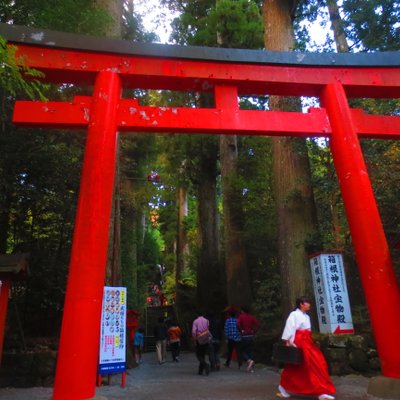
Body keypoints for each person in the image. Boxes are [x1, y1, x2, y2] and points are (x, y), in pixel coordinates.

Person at [277, 297, 336, 400]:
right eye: (307, 303)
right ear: (301, 304)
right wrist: (288, 341)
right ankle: (283, 387)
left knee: (317, 364)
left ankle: (320, 391)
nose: (309, 304)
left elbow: (307, 331)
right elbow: (290, 328)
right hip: (298, 342)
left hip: (307, 342)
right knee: (296, 366)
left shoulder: (307, 317)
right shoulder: (294, 315)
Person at [237, 306, 260, 372]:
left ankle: (249, 360)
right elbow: (258, 324)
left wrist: (241, 330)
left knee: (242, 351)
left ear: (242, 311)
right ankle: (251, 367)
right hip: (251, 336)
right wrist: (254, 331)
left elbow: (238, 324)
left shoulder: (241, 316)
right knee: (250, 351)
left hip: (244, 336)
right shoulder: (251, 317)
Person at [192, 311, 211, 375]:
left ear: (197, 315)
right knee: (202, 354)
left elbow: (194, 332)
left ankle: (206, 365)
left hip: (199, 339)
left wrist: (194, 339)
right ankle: (200, 370)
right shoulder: (207, 320)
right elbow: (208, 329)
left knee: (198, 355)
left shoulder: (195, 321)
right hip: (206, 339)